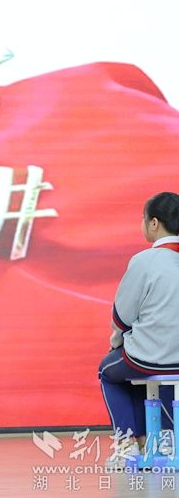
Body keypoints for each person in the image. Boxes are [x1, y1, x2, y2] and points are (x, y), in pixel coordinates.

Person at [99, 192, 179, 465]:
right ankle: (162, 439)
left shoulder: (145, 261)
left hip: (148, 357)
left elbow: (122, 316)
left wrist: (117, 339)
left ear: (154, 223)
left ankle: (128, 444)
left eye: (143, 219)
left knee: (110, 371)